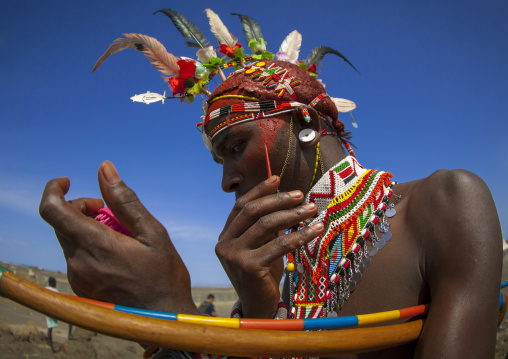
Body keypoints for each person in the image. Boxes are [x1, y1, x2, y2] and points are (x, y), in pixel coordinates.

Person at [38, 9, 503, 358]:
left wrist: (201, 306)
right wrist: (158, 304)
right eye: (219, 158)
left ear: (303, 122)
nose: (226, 181)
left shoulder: (444, 204)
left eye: (235, 147)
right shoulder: (270, 258)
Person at [45, 277, 60, 353]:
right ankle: (52, 348)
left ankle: (51, 345)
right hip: (54, 310)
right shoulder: (56, 291)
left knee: (50, 329)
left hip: (47, 309)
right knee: (50, 329)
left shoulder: (45, 289)